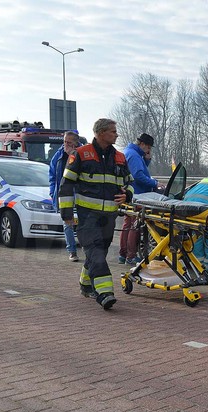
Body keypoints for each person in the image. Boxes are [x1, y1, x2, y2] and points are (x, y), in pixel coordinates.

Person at [59, 118, 134, 310]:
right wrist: (66, 214)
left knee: (98, 253)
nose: (116, 134)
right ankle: (105, 293)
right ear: (100, 133)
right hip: (87, 217)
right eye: (113, 131)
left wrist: (127, 195)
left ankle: (85, 285)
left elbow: (130, 183)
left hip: (109, 217)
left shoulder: (120, 157)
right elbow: (66, 185)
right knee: (97, 254)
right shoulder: (81, 155)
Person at [118, 133, 161, 265]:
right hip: (138, 195)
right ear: (142, 144)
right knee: (134, 226)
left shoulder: (129, 152)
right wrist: (155, 183)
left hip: (130, 194)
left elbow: (138, 170)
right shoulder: (135, 155)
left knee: (127, 224)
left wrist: (147, 160)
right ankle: (130, 256)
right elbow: (138, 176)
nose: (149, 150)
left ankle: (123, 254)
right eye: (148, 147)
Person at [49, 131, 81, 262]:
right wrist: (53, 192)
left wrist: (72, 156)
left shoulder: (82, 154)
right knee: (67, 223)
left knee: (83, 223)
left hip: (80, 195)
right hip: (64, 195)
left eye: (69, 142)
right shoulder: (58, 156)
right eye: (64, 142)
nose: (65, 145)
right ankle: (72, 251)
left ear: (76, 143)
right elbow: (52, 176)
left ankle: (86, 247)